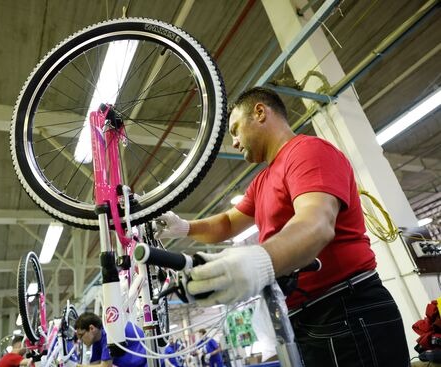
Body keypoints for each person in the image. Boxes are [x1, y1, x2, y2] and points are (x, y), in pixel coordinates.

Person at [156, 87, 410, 366]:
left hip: (344, 308)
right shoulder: (262, 181)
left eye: (235, 130)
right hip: (305, 316)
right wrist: (183, 228)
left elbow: (317, 222)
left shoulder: (308, 152)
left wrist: (259, 261)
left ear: (260, 112)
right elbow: (228, 223)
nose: (235, 143)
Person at [74, 311, 147, 367]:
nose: (80, 340)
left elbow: (106, 365)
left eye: (81, 335)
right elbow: (95, 364)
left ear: (91, 328)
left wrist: (75, 365)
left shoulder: (109, 332)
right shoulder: (96, 340)